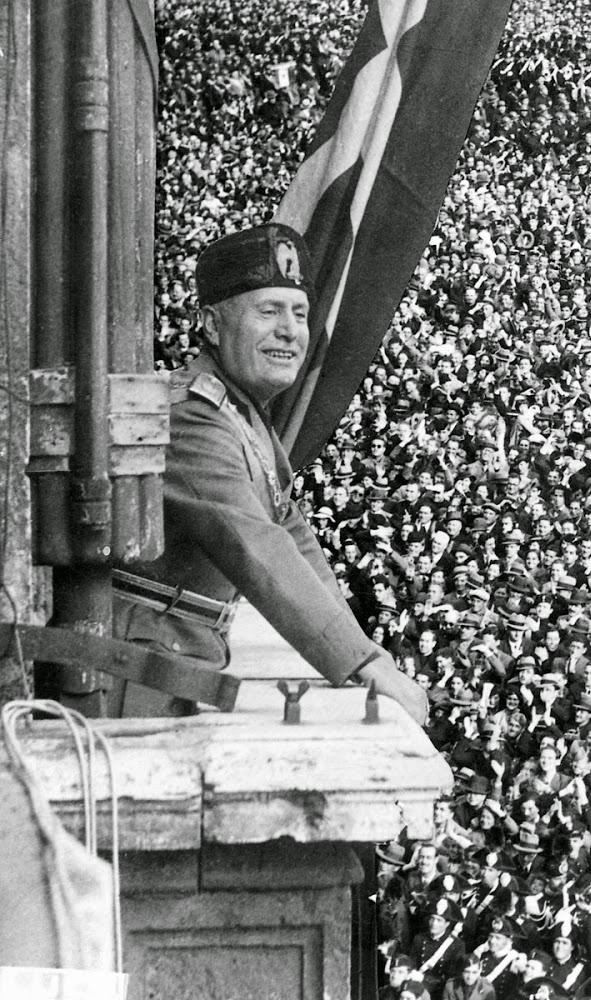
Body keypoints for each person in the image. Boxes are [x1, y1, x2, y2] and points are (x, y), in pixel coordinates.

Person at [110, 222, 426, 724]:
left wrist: (366, 653)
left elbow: (292, 534)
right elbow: (256, 544)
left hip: (172, 656)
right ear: (212, 325)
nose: (289, 330)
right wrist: (360, 663)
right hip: (133, 672)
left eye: (300, 313)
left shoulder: (241, 412)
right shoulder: (191, 417)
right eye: (269, 311)